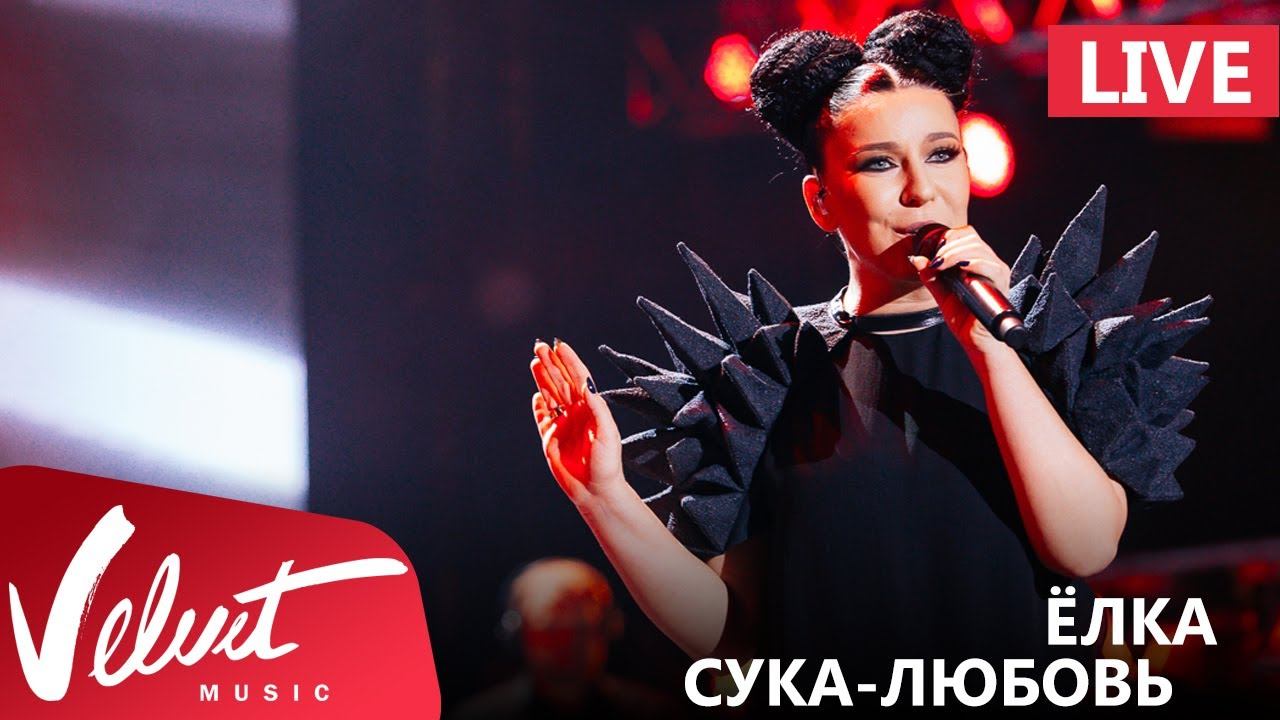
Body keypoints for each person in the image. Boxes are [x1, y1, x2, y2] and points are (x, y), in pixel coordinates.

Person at [527, 9, 1209, 707]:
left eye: (942, 154)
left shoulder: (1045, 336)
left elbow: (1086, 548)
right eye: (880, 163)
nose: (921, 190)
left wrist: (993, 348)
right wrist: (603, 495)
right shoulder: (768, 374)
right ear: (820, 200)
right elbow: (733, 633)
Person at [449, 558, 682, 720]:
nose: (569, 644)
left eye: (582, 630)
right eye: (553, 632)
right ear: (518, 634)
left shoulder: (657, 713)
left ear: (609, 628)